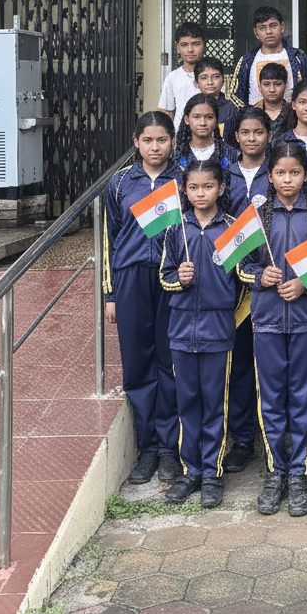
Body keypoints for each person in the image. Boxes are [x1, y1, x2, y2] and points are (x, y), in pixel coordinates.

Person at [237, 141, 307, 516]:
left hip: (306, 321)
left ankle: (298, 472)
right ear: (270, 176)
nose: (287, 179)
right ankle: (276, 471)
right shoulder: (257, 215)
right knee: (272, 397)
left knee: (304, 397)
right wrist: (261, 276)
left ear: (306, 175)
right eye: (280, 173)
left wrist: (306, 284)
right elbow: (240, 265)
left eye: (294, 172)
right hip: (267, 322)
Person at [159, 159, 246, 507]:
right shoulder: (175, 229)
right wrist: (178, 279)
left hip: (217, 330)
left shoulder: (232, 229)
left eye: (208, 186)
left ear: (221, 189)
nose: (200, 193)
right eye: (193, 187)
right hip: (181, 330)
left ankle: (212, 472)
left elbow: (244, 281)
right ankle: (190, 470)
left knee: (214, 403)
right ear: (184, 190)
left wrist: (227, 312)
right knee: (187, 402)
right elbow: (164, 277)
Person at [103, 112, 183, 485]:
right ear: (136, 142)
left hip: (171, 278)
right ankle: (147, 448)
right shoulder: (120, 183)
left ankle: (169, 449)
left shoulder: (184, 180)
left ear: (173, 142)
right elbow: (111, 239)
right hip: (130, 278)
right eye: (148, 140)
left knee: (170, 361)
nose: (155, 147)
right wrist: (111, 294)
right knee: (137, 365)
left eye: (162, 140)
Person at [220, 107, 272, 475]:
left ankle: (276, 438)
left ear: (269, 135)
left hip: (274, 279)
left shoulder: (280, 170)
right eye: (245, 132)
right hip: (234, 285)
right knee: (239, 365)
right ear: (235, 136)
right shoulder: (224, 175)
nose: (251, 138)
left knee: (272, 367)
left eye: (258, 132)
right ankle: (241, 439)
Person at [235, 5, 307, 107]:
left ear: (282, 27)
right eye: (262, 28)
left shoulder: (298, 58)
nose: (269, 32)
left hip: (291, 116)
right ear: (256, 33)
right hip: (255, 116)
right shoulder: (247, 61)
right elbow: (239, 98)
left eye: (273, 26)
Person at [174, 94, 238, 178]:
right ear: (187, 119)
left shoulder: (230, 153)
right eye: (196, 117)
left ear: (217, 120)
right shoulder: (177, 155)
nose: (202, 123)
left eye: (209, 117)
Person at [158, 22, 206, 133]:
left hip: (209, 136)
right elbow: (166, 113)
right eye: (184, 45)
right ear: (177, 47)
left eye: (195, 44)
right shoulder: (173, 78)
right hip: (180, 137)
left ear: (204, 44)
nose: (190, 50)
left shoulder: (213, 76)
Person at [193, 57, 240, 147]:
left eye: (215, 77)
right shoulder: (193, 108)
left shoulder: (231, 109)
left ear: (223, 80)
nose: (210, 82)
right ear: (196, 83)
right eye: (204, 78)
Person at [256, 61, 288, 137]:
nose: (272, 89)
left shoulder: (293, 114)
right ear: (260, 87)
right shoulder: (253, 113)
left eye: (277, 84)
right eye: (266, 84)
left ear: (285, 86)